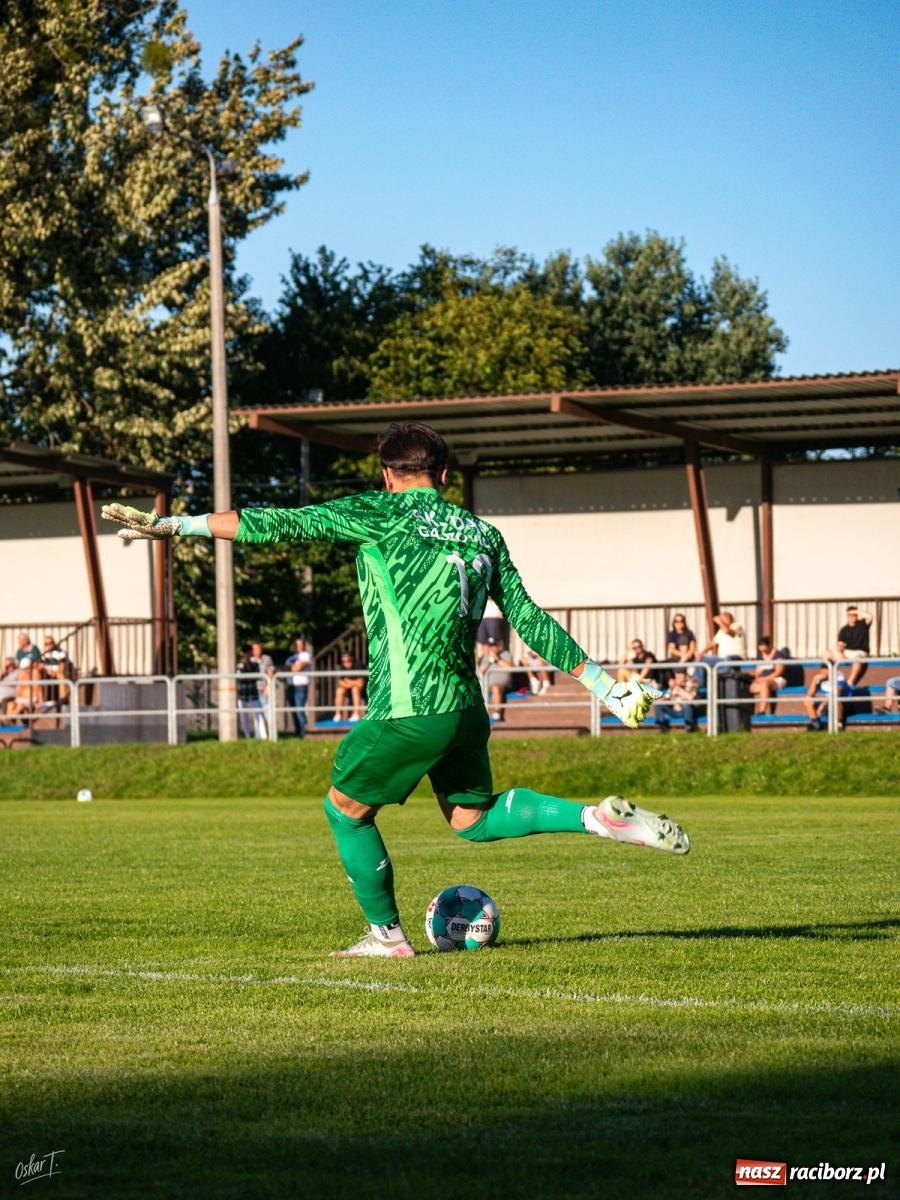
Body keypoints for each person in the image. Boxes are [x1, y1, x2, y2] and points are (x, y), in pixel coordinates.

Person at [102, 421, 690, 959]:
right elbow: (529, 620)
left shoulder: (378, 513)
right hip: (464, 709)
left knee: (345, 810)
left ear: (387, 476)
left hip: (410, 707)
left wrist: (176, 525)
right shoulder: (482, 533)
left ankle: (387, 938)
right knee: (472, 819)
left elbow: (278, 522)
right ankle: (593, 817)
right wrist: (606, 687)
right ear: (444, 473)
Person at [826, 604, 873, 687]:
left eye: (854, 615)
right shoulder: (844, 629)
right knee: (826, 653)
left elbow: (870, 617)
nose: (852, 617)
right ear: (847, 616)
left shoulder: (862, 625)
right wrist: (841, 654)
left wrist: (856, 611)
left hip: (860, 652)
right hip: (847, 652)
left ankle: (850, 683)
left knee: (859, 658)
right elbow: (840, 645)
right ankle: (828, 678)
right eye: (850, 615)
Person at [804, 663, 849, 731]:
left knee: (837, 701)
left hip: (837, 701)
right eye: (823, 669)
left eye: (827, 669)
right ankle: (815, 723)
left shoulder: (839, 676)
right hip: (823, 700)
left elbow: (836, 693)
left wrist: (823, 704)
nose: (824, 672)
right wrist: (814, 680)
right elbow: (810, 694)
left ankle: (838, 724)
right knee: (807, 700)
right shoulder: (819, 678)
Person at [236, 644, 269, 740]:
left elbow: (255, 676)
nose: (247, 655)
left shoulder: (255, 664)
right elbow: (239, 678)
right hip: (242, 694)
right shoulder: (239, 665)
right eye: (246, 653)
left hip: (253, 693)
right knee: (244, 717)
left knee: (257, 715)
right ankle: (247, 736)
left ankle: (262, 736)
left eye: (249, 652)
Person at [478, 637, 514, 721]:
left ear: (499, 646)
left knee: (496, 687)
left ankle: (497, 712)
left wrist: (497, 659)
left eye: (494, 646)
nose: (492, 648)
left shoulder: (505, 654)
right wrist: (487, 663)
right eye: (490, 646)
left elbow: (509, 667)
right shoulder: (486, 657)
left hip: (503, 684)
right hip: (487, 685)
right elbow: (480, 673)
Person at [748, 636, 786, 715]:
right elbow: (757, 671)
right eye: (761, 651)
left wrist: (765, 679)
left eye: (765, 650)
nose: (763, 652)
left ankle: (762, 710)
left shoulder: (778, 655)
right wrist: (756, 677)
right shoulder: (760, 656)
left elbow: (779, 672)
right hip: (763, 680)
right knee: (752, 687)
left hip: (776, 679)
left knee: (765, 684)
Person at [655, 669, 700, 733]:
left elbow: (692, 698)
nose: (677, 679)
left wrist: (679, 690)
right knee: (659, 704)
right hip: (675, 709)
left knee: (685, 704)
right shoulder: (674, 684)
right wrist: (660, 699)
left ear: (685, 675)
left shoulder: (692, 682)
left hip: (691, 710)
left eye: (679, 677)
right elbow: (666, 698)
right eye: (676, 676)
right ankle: (662, 727)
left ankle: (689, 728)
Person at [284, 636, 312, 737]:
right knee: (294, 710)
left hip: (300, 686)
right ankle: (297, 732)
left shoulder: (305, 655)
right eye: (297, 645)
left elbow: (298, 668)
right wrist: (293, 667)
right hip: (291, 685)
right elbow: (287, 668)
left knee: (299, 710)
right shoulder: (292, 656)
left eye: (301, 644)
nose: (299, 647)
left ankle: (304, 733)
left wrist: (291, 667)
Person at [333, 651, 367, 723]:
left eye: (348, 660)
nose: (346, 663)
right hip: (349, 688)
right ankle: (338, 714)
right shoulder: (342, 666)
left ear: (352, 659)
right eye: (344, 661)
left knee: (355, 689)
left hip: (363, 689)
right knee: (339, 691)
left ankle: (356, 714)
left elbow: (361, 683)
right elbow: (341, 683)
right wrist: (353, 683)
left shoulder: (358, 665)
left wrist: (349, 682)